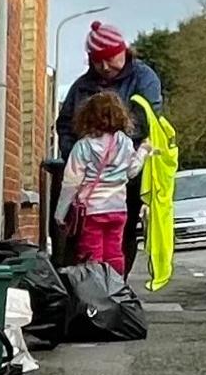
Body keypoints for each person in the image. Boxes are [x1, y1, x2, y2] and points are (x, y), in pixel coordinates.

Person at [45, 19, 165, 257]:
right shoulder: (82, 86)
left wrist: (116, 151)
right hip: (88, 185)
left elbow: (147, 119)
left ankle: (113, 284)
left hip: (125, 184)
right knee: (84, 239)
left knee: (121, 238)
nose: (105, 65)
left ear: (123, 50)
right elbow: (65, 124)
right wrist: (78, 156)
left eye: (110, 57)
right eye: (97, 60)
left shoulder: (143, 79)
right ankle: (96, 283)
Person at [58, 90, 142, 272]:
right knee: (115, 253)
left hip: (92, 210)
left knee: (91, 254)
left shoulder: (83, 146)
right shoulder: (125, 143)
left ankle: (96, 292)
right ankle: (115, 286)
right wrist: (144, 152)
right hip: (118, 208)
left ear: (87, 116)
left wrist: (60, 212)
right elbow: (133, 171)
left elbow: (71, 182)